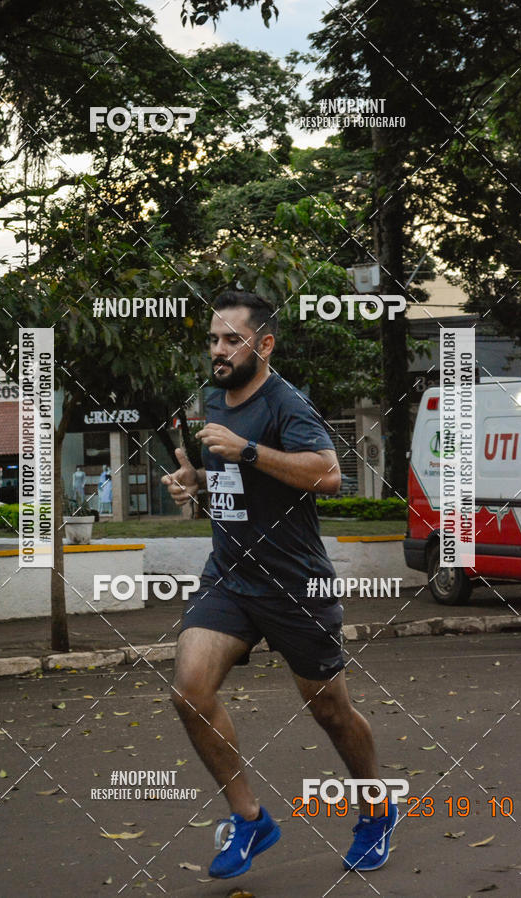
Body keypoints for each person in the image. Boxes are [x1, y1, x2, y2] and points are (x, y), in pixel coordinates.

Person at [162, 290, 397, 880]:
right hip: (231, 578)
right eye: (212, 339)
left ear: (263, 344)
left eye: (230, 339)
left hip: (296, 586)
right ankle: (251, 819)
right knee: (189, 690)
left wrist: (246, 451)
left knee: (331, 710)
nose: (218, 350)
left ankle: (376, 809)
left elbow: (329, 474)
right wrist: (196, 483)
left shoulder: (286, 403)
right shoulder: (214, 399)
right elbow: (233, 488)